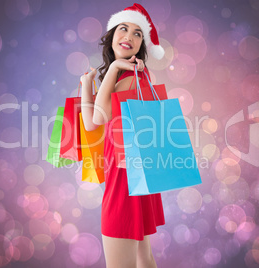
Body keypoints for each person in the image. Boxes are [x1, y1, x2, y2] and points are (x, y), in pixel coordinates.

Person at [80, 3, 165, 267]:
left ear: (142, 45)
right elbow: (91, 124)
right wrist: (87, 85)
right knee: (143, 258)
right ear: (112, 34)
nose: (129, 36)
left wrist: (115, 67)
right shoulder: (131, 77)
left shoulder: (128, 76)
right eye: (124, 28)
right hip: (137, 178)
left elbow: (95, 119)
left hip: (124, 182)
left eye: (138, 33)